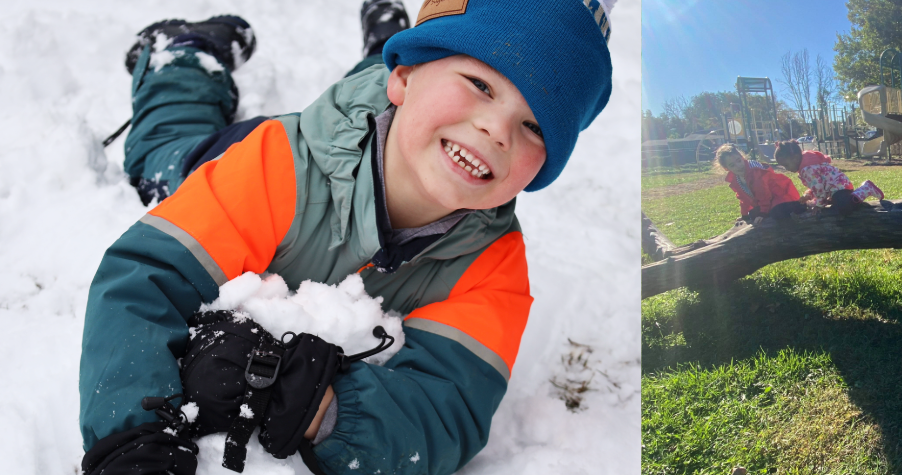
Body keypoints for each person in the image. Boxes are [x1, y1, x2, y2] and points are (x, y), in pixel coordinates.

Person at [77, 1, 616, 474]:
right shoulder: (277, 166)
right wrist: (133, 439)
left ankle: (387, 40)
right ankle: (183, 53)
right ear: (404, 76)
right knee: (164, 159)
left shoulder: (491, 267)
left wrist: (318, 406)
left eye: (534, 126)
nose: (497, 130)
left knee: (417, 112)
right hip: (280, 148)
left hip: (398, 115)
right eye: (481, 84)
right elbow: (147, 281)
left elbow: (445, 410)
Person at [772, 140, 884, 210]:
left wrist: (819, 205)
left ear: (795, 158)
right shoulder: (807, 166)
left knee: (844, 206)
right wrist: (808, 195)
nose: (786, 169)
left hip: (839, 187)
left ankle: (866, 189)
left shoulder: (807, 169)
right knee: (838, 205)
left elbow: (819, 189)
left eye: (786, 165)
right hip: (837, 188)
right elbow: (817, 185)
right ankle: (853, 196)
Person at [716, 143, 804, 221]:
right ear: (726, 168)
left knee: (776, 212)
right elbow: (743, 198)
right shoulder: (736, 179)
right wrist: (745, 215)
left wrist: (763, 213)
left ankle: (799, 209)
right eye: (732, 165)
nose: (738, 166)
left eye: (739, 161)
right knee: (752, 214)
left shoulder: (754, 170)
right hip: (768, 201)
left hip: (780, 196)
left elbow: (764, 193)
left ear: (742, 157)